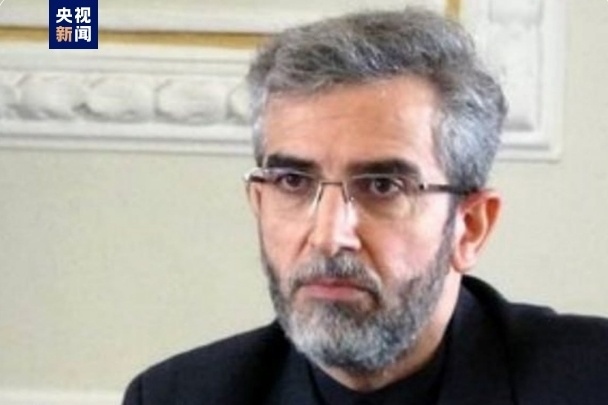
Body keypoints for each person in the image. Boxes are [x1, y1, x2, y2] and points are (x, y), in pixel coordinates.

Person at [122, 7, 608, 405]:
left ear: (470, 227)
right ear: (258, 202)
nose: (328, 235)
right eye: (293, 181)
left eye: (381, 186)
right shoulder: (176, 397)